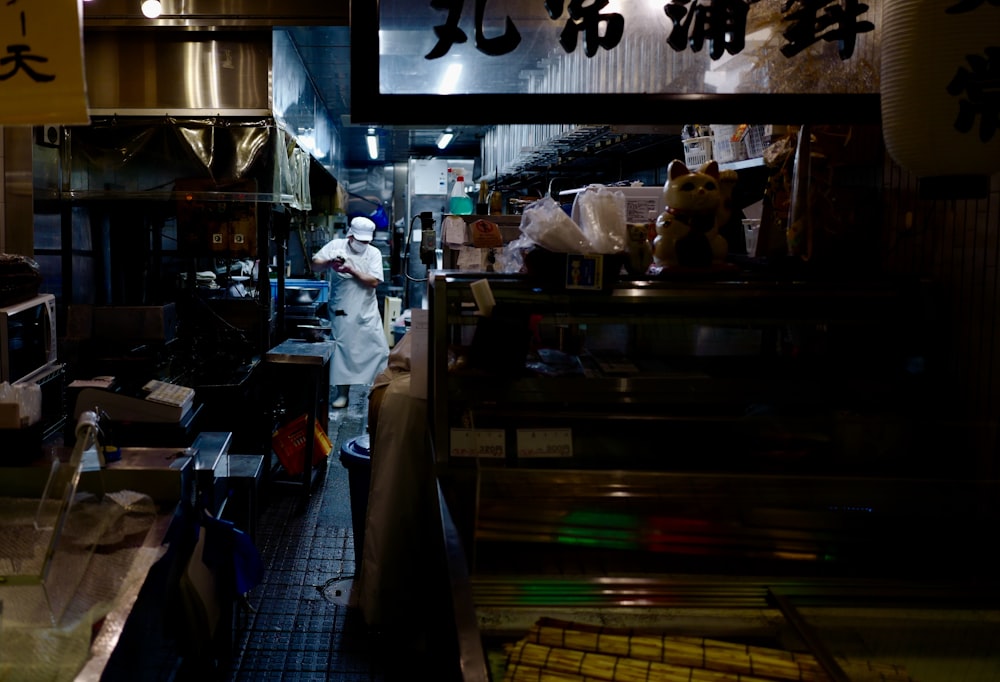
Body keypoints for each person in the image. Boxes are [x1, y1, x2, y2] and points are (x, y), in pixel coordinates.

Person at [311, 216, 390, 408]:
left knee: (379, 350)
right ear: (351, 235)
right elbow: (315, 264)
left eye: (366, 241)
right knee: (342, 352)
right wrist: (329, 262)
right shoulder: (336, 246)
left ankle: (378, 392)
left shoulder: (374, 253)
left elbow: (374, 281)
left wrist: (351, 270)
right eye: (359, 240)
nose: (363, 244)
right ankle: (342, 394)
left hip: (366, 310)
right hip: (342, 309)